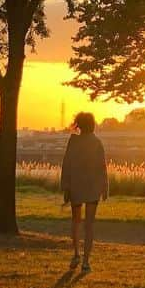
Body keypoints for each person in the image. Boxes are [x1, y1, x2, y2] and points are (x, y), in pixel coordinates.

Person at [60, 111, 109, 274]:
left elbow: (66, 165)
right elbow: (102, 167)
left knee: (76, 221)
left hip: (75, 187)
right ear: (92, 125)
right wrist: (105, 187)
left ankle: (75, 254)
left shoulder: (73, 142)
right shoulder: (97, 143)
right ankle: (86, 261)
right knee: (89, 225)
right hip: (93, 187)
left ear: (78, 125)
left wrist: (65, 186)